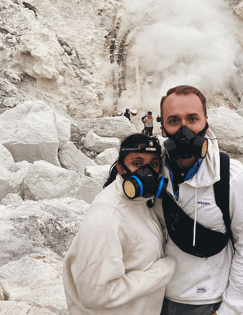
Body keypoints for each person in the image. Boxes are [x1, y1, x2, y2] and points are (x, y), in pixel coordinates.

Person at [155, 85, 243, 315]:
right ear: (163, 129)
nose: (184, 130)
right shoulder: (153, 168)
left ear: (206, 123)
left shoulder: (232, 177)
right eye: (174, 121)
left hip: (205, 303)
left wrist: (230, 309)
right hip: (153, 297)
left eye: (192, 119)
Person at [63, 134, 176, 315]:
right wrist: (163, 271)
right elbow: (95, 294)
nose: (147, 172)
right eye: (137, 164)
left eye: (153, 164)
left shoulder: (140, 203)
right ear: (121, 168)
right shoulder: (106, 217)